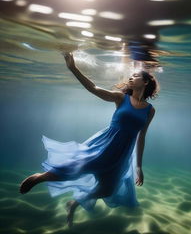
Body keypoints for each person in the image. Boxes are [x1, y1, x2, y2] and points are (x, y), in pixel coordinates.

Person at [19, 52, 159, 227]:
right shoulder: (120, 98)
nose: (131, 77)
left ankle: (74, 203)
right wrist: (73, 68)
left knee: (107, 189)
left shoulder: (150, 110)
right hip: (104, 146)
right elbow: (93, 88)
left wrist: (138, 165)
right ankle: (39, 178)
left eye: (136, 76)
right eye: (130, 76)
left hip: (122, 155)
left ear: (145, 82)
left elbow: (142, 136)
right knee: (73, 168)